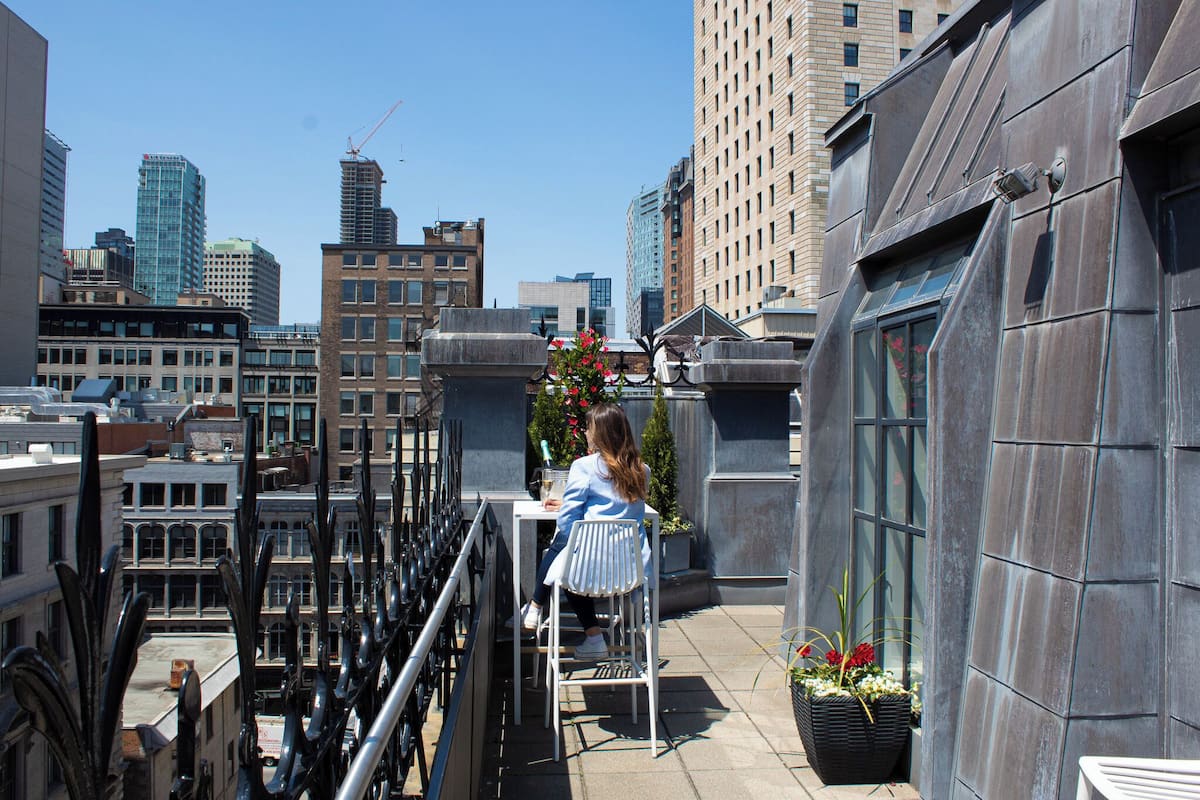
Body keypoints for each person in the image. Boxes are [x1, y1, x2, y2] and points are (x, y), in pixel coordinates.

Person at [518, 403, 650, 660]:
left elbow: (568, 520)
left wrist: (568, 515)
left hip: (590, 568)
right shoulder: (642, 471)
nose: (586, 434)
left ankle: (538, 607)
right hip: (629, 571)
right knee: (570, 551)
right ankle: (551, 615)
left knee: (565, 547)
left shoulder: (585, 467)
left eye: (588, 428)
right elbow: (621, 508)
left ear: (600, 433)